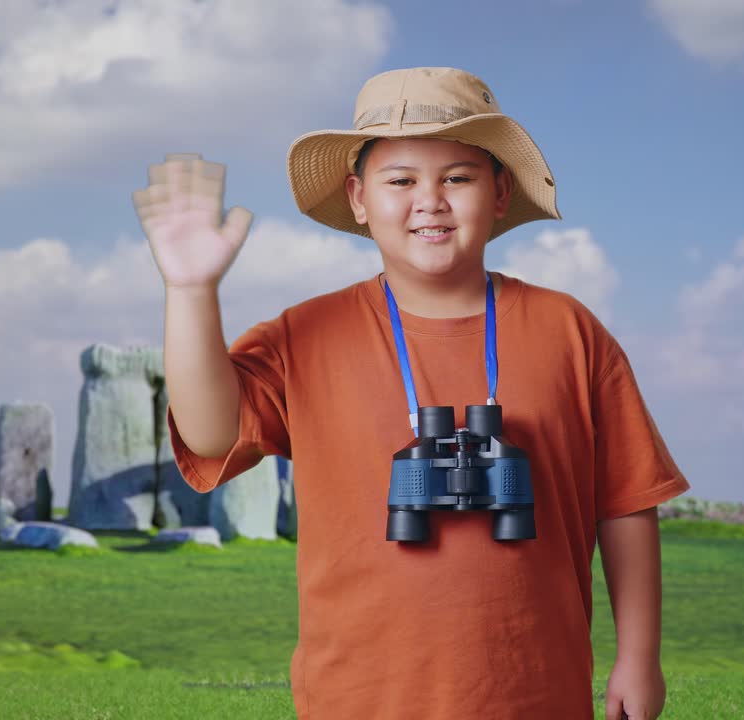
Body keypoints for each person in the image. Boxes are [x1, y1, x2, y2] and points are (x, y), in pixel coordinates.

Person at [134, 66, 690, 720]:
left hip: (536, 694)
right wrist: (191, 291)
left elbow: (625, 501)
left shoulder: (568, 330)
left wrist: (639, 654)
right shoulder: (305, 334)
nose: (430, 200)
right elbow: (208, 435)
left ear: (502, 192)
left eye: (458, 177)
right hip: (357, 699)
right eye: (400, 180)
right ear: (359, 198)